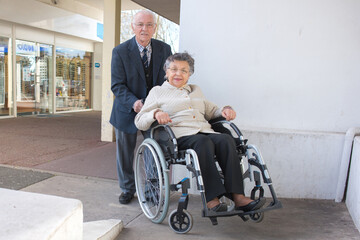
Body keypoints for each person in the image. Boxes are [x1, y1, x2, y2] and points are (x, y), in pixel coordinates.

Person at [134, 52, 265, 212]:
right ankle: (211, 199)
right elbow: (139, 120)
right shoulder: (157, 92)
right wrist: (155, 114)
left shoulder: (196, 90)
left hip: (204, 131)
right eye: (174, 69)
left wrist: (225, 110)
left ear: (189, 75)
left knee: (225, 140)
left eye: (184, 70)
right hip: (179, 136)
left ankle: (238, 196)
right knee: (203, 143)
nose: (178, 74)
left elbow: (211, 110)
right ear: (166, 72)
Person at [110, 10, 172, 204]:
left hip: (153, 111)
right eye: (140, 24)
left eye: (149, 24)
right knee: (125, 154)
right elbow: (117, 85)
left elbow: (167, 81)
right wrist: (134, 102)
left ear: (155, 27)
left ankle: (151, 189)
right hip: (127, 110)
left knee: (155, 151)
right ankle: (127, 188)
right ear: (133, 26)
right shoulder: (120, 51)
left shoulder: (165, 49)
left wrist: (157, 105)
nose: (144, 29)